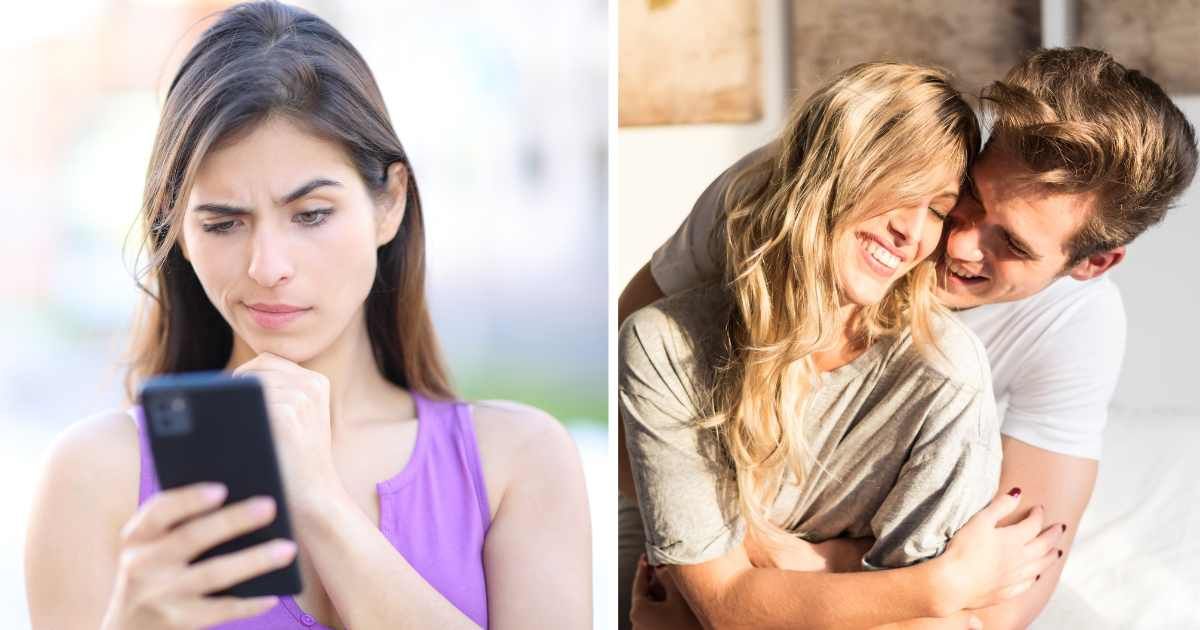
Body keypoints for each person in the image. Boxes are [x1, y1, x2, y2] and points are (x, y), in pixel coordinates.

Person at [24, 3, 591, 629]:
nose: (268, 266)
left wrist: (320, 503)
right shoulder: (95, 477)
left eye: (311, 214)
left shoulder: (518, 461)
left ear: (389, 204)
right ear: (179, 231)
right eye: (223, 223)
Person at [622, 47, 1197, 629]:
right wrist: (712, 574)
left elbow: (994, 597)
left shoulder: (1072, 329)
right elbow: (637, 381)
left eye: (1013, 245)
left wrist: (800, 566)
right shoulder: (789, 199)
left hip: (884, 551)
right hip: (691, 493)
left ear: (1091, 265)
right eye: (970, 198)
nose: (961, 244)